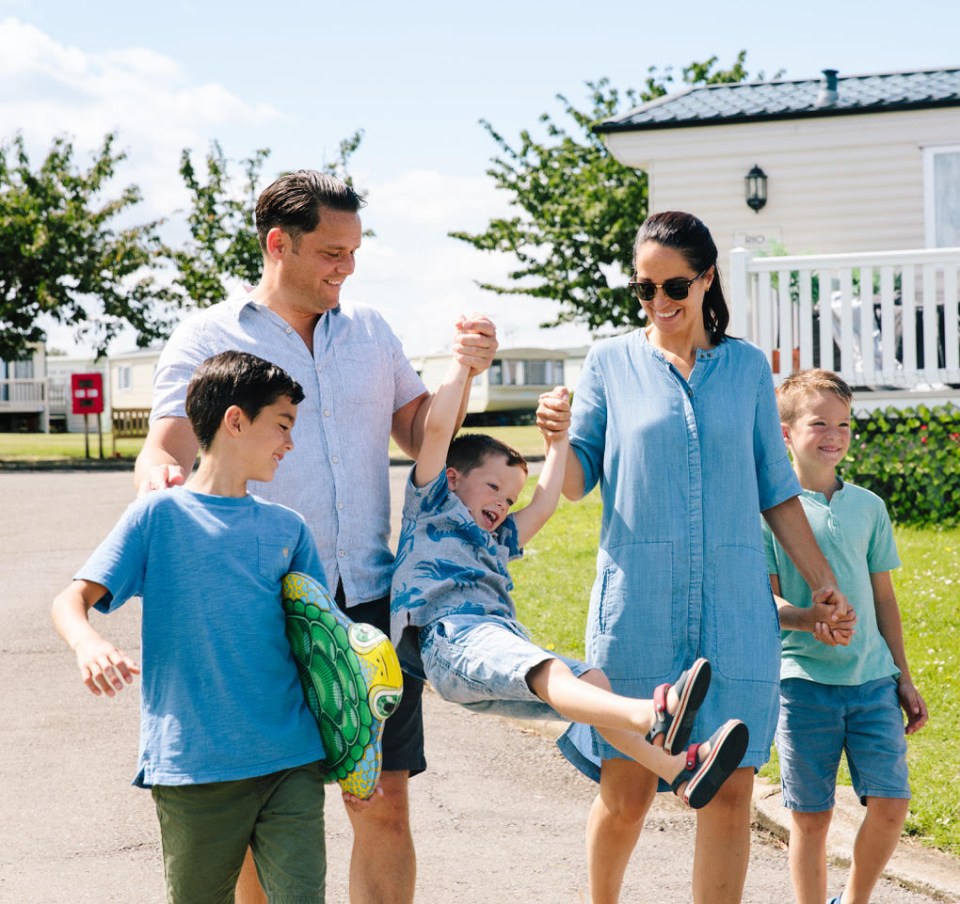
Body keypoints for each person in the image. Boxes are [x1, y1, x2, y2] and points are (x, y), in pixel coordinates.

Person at [135, 170, 497, 904]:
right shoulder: (210, 337)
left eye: (355, 251)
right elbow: (164, 447)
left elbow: (421, 431)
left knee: (383, 801)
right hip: (254, 610)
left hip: (366, 601)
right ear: (279, 244)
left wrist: (465, 372)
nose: (347, 268)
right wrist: (158, 481)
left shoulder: (370, 332)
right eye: (332, 252)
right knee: (256, 808)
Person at [536, 210, 851, 904]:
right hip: (637, 608)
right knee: (626, 792)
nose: (658, 304)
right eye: (643, 290)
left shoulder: (744, 368)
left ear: (708, 279)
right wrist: (556, 439)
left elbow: (776, 488)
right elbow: (581, 478)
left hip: (738, 613)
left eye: (673, 286)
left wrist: (823, 584)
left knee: (730, 795)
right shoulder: (610, 364)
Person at [391, 359, 750, 818]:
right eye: (493, 487)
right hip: (450, 636)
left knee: (590, 682)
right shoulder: (432, 505)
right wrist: (463, 366)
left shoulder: (498, 538)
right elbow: (438, 430)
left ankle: (680, 768)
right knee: (552, 672)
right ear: (454, 478)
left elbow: (543, 505)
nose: (502, 504)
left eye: (508, 499)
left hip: (491, 646)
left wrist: (557, 441)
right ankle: (654, 713)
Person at [52, 351, 330, 903]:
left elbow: (322, 640)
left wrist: (351, 738)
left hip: (291, 760)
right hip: (195, 766)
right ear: (234, 420)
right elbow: (71, 600)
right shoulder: (157, 516)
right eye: (282, 425)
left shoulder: (287, 528)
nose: (289, 443)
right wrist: (88, 642)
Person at [764, 368, 928, 904]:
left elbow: (883, 599)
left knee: (891, 803)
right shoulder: (768, 514)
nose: (835, 434)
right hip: (803, 683)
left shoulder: (869, 507)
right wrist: (808, 618)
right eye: (819, 424)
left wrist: (902, 676)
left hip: (873, 681)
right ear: (785, 432)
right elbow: (765, 600)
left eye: (844, 424)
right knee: (811, 817)